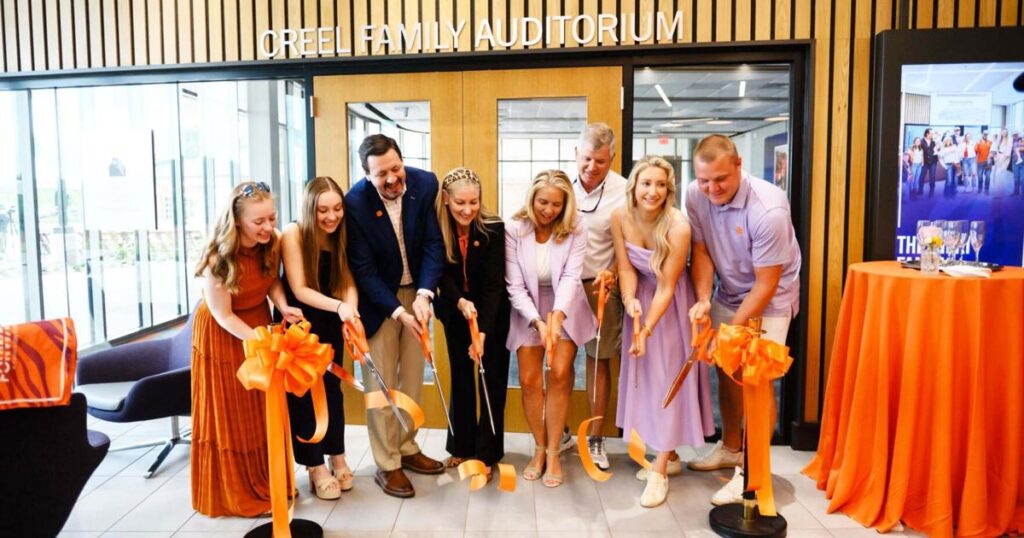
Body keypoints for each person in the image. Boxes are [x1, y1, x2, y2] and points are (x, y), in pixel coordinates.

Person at [684, 135, 801, 506]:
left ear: (738, 165)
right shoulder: (695, 195)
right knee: (726, 369)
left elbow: (766, 283)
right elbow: (701, 250)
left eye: (720, 179)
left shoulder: (768, 208)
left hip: (771, 298)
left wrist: (734, 328)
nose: (712, 188)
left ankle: (752, 471)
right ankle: (731, 448)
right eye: (704, 180)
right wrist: (704, 299)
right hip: (729, 291)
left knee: (756, 379)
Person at [190, 181, 304, 517]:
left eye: (272, 217)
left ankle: (270, 481)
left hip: (257, 322)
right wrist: (258, 339)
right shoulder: (218, 259)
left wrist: (282, 306)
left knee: (261, 410)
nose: (268, 227)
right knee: (234, 414)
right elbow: (223, 315)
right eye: (259, 221)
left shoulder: (272, 241)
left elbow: (272, 281)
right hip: (224, 335)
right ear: (237, 221)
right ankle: (238, 493)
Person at [344, 134, 445, 498]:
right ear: (366, 175)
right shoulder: (354, 203)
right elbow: (363, 269)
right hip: (379, 303)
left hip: (417, 295)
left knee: (413, 380)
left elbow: (433, 243)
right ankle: (387, 463)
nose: (391, 179)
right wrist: (398, 311)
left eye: (396, 168)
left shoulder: (425, 183)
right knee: (381, 386)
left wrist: (424, 293)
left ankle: (407, 447)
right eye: (381, 174)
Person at [612, 155, 714, 508]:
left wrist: (647, 330)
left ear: (668, 189)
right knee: (646, 381)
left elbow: (667, 286)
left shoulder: (678, 225)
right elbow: (625, 268)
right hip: (640, 300)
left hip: (670, 308)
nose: (652, 191)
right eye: (646, 183)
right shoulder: (619, 216)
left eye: (660, 184)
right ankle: (668, 456)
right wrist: (629, 301)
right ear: (634, 186)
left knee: (668, 382)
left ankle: (659, 471)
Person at [505, 170, 595, 488]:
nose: (548, 210)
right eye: (543, 202)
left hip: (565, 303)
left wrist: (557, 316)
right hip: (526, 306)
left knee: (558, 373)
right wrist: (538, 321)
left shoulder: (576, 226)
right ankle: (539, 448)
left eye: (556, 204)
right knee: (530, 380)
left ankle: (555, 451)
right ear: (532, 198)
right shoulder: (514, 228)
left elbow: (571, 276)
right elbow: (515, 285)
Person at [275, 176, 357, 500]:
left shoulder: (341, 234)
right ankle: (314, 466)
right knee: (304, 395)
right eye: (323, 210)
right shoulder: (294, 233)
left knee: (333, 390)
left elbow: (347, 281)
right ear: (309, 208)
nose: (331, 217)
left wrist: (351, 313)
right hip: (300, 321)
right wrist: (340, 307)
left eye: (337, 208)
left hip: (333, 319)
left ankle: (337, 455)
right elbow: (299, 289)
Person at [434, 167, 511, 478]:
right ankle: (461, 446)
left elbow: (494, 284)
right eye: (460, 203)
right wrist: (459, 301)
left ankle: (487, 453)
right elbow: (440, 273)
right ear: (445, 199)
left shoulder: (494, 228)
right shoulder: (436, 228)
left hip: (492, 313)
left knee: (491, 379)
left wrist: (483, 332)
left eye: (474, 202)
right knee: (461, 377)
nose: (468, 210)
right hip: (455, 311)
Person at [571, 123, 627, 471]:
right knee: (559, 362)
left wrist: (614, 276)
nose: (592, 167)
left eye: (601, 161)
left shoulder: (625, 190)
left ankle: (595, 437)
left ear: (612, 159)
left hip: (601, 286)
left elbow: (629, 244)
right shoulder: (561, 184)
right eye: (587, 159)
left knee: (599, 361)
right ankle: (558, 431)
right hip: (562, 286)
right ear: (576, 154)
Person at [918, 128, 939, 197]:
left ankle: (931, 191)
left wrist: (938, 147)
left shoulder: (934, 141)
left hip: (933, 161)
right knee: (922, 176)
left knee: (932, 176)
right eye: (931, 133)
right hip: (925, 162)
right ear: (927, 134)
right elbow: (917, 149)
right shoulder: (921, 141)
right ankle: (920, 190)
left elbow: (938, 149)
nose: (932, 134)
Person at [976, 130, 993, 195]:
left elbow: (992, 151)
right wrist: (978, 144)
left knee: (988, 177)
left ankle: (986, 190)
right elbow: (976, 151)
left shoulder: (990, 142)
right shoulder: (978, 142)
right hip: (980, 162)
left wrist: (990, 158)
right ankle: (979, 188)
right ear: (982, 134)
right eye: (984, 134)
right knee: (980, 176)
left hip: (988, 162)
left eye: (987, 134)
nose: (985, 135)